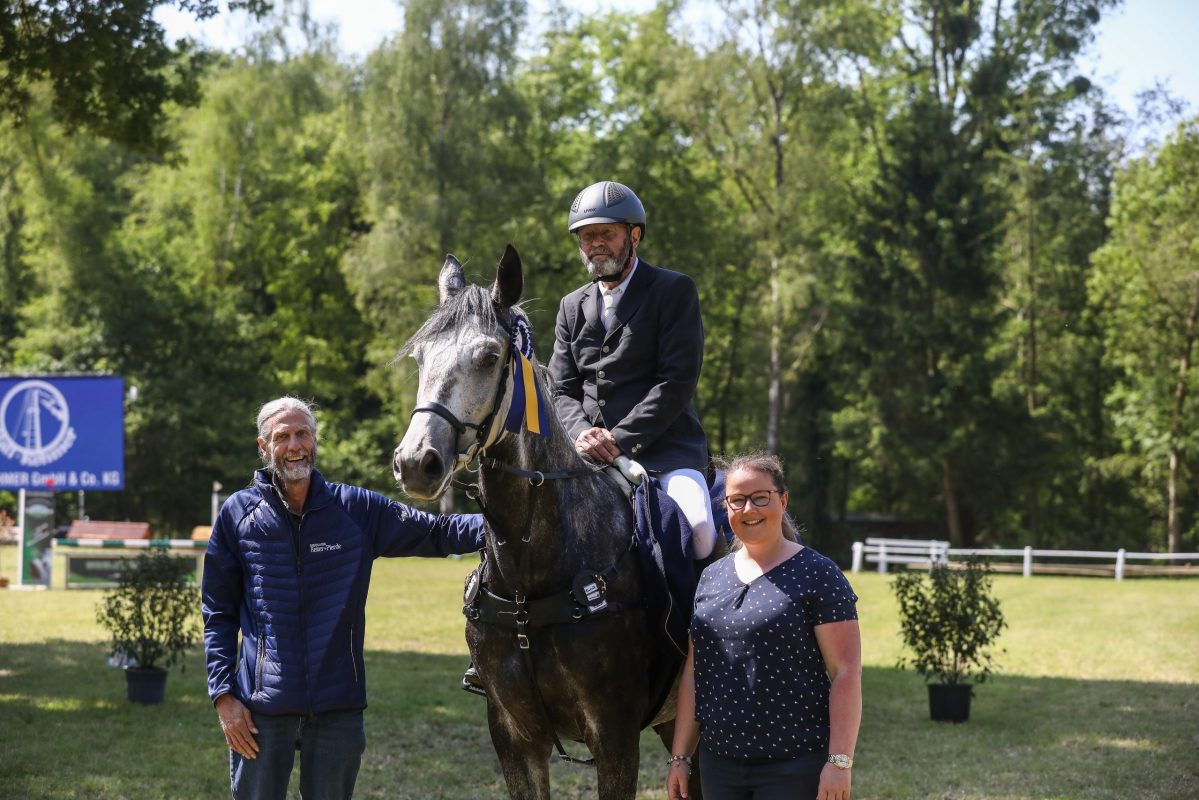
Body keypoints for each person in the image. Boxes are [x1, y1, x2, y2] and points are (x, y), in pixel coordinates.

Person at [202, 396, 486, 800]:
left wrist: (507, 521)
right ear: (264, 447)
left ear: (315, 440)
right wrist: (223, 697)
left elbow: (438, 532)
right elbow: (218, 613)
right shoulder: (237, 514)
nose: (295, 445)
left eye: (303, 434)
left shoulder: (354, 509)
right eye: (283, 437)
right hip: (261, 708)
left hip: (338, 707)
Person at [666, 453, 862, 800]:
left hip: (794, 765)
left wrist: (839, 763)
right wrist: (681, 757)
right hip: (719, 764)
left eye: (760, 497)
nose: (748, 509)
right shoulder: (711, 577)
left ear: (783, 501)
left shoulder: (819, 574)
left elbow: (845, 673)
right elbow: (695, 674)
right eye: (737, 500)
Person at [548, 179, 717, 559]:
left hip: (664, 451)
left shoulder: (673, 290)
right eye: (587, 236)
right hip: (586, 453)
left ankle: (709, 599)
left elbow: (676, 381)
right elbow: (561, 389)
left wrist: (619, 439)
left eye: (606, 234)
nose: (596, 244)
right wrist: (583, 434)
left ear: (634, 236)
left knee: (700, 531)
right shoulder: (571, 306)